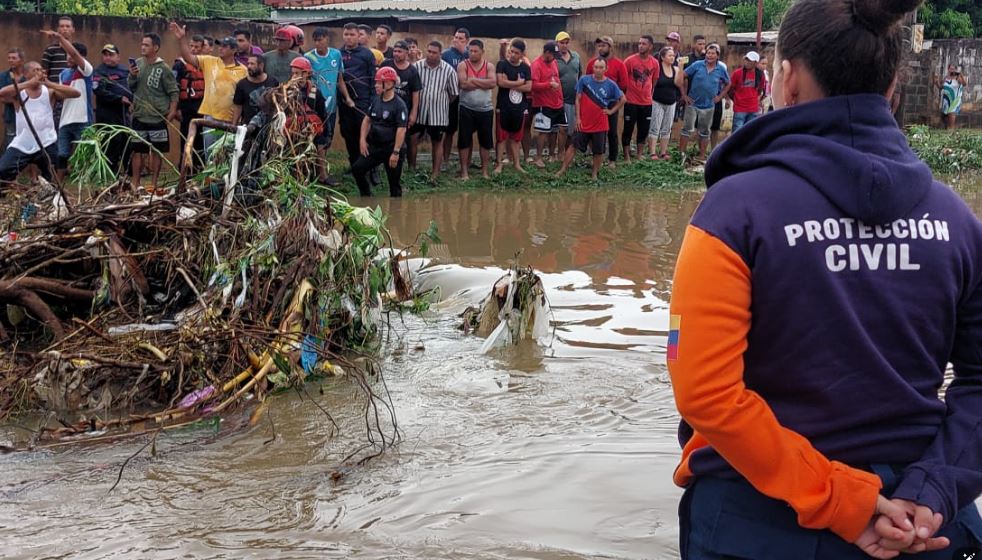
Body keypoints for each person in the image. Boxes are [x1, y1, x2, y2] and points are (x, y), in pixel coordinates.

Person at [669, 0, 982, 558]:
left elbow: (708, 396)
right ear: (890, 87)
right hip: (926, 528)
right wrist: (935, 489)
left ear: (786, 80)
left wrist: (844, 501)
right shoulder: (957, 220)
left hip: (758, 521)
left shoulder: (733, 212)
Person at [0, 62, 80, 188]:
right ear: (26, 74)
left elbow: (76, 93)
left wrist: (48, 83)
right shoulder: (19, 93)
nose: (40, 72)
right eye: (35, 70)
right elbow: (2, 93)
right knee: (3, 170)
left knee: (52, 176)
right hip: (23, 143)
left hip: (46, 142)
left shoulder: (49, 92)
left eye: (41, 70)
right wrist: (28, 84)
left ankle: (52, 196)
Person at [170, 25, 247, 156]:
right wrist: (181, 39)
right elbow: (188, 57)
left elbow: (243, 97)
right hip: (211, 118)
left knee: (226, 156)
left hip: (231, 119)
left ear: (234, 50)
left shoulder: (243, 70)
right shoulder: (210, 62)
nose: (220, 48)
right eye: (220, 46)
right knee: (210, 155)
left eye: (224, 46)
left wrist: (239, 120)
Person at [555, 58, 625, 180]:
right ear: (593, 68)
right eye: (596, 67)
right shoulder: (584, 80)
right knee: (573, 146)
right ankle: (562, 170)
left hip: (600, 124)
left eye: (601, 67)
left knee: (598, 151)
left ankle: (594, 174)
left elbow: (623, 99)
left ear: (606, 69)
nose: (598, 70)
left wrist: (611, 111)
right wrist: (578, 118)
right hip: (584, 122)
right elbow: (578, 99)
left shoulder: (611, 84)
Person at [128, 33, 178, 192]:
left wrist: (172, 111)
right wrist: (132, 75)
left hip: (157, 116)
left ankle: (154, 183)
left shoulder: (164, 68)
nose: (143, 47)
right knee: (137, 151)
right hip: (139, 114)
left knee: (157, 152)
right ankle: (135, 182)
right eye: (142, 44)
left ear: (155, 48)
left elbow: (173, 91)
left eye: (147, 45)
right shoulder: (138, 64)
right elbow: (131, 86)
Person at [41, 30, 92, 183]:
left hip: (83, 120)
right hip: (65, 120)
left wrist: (60, 38)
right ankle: (58, 183)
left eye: (71, 55)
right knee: (62, 154)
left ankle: (85, 184)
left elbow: (75, 55)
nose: (68, 57)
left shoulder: (86, 70)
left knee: (85, 153)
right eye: (66, 55)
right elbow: (61, 94)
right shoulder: (63, 74)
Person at [306, 27, 353, 184]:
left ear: (327, 39)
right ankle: (320, 174)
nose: (318, 43)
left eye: (321, 39)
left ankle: (320, 171)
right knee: (316, 138)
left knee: (327, 138)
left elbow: (340, 79)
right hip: (314, 106)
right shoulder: (309, 57)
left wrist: (347, 98)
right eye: (316, 40)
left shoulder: (336, 55)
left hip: (331, 106)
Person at [352, 66, 407, 197]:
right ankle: (366, 196)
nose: (375, 85)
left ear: (388, 84)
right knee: (357, 169)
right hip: (375, 147)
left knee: (394, 185)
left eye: (378, 83)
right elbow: (367, 120)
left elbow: (401, 129)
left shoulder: (399, 105)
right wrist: (362, 140)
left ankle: (396, 210)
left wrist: (395, 152)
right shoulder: (376, 100)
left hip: (392, 148)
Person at [411, 41, 458, 181]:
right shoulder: (416, 67)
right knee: (413, 139)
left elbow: (454, 93)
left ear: (440, 54)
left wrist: (440, 102)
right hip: (418, 111)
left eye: (434, 52)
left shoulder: (449, 70)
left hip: (439, 114)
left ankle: (435, 174)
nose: (431, 55)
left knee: (437, 142)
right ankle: (411, 169)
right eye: (429, 51)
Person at [679, 43, 728, 162]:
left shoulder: (721, 68)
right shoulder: (697, 65)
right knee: (686, 129)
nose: (710, 55)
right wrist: (684, 95)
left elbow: (728, 83)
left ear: (717, 56)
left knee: (705, 132)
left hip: (708, 106)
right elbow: (682, 76)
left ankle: (701, 156)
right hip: (692, 103)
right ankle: (681, 155)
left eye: (712, 53)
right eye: (708, 53)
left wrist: (720, 96)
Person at [456, 39, 496, 180]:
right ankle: (464, 172)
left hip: (485, 109)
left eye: (475, 51)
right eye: (470, 51)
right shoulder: (463, 65)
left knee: (485, 142)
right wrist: (481, 82)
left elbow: (492, 83)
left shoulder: (489, 66)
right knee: (464, 141)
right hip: (466, 108)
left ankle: (485, 171)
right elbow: (463, 84)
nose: (472, 54)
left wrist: (473, 80)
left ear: (482, 52)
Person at [586, 37, 627, 167]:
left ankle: (612, 159)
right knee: (597, 132)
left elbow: (624, 85)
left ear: (610, 47)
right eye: (599, 46)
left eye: (603, 45)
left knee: (612, 131)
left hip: (611, 103)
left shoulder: (619, 64)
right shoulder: (592, 63)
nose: (600, 48)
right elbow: (587, 81)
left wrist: (612, 98)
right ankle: (598, 158)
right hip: (595, 103)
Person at [339, 23, 375, 167]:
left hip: (363, 101)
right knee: (348, 133)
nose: (349, 38)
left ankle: (371, 168)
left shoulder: (367, 54)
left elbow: (373, 78)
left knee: (367, 133)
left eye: (352, 35)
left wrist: (373, 100)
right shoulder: (337, 54)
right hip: (344, 102)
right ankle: (354, 165)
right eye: (346, 34)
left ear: (358, 35)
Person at [92, 44, 132, 173]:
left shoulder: (125, 70)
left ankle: (129, 171)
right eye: (105, 55)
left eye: (111, 54)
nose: (108, 57)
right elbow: (98, 90)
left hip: (123, 113)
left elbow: (131, 87)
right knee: (111, 141)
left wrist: (132, 99)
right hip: (106, 114)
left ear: (118, 57)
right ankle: (110, 171)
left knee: (127, 140)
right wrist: (118, 98)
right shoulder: (99, 72)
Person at [494, 39, 531, 175]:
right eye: (511, 52)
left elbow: (529, 87)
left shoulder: (525, 68)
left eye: (516, 53)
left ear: (522, 54)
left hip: (519, 108)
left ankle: (517, 164)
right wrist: (518, 83)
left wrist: (510, 82)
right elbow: (500, 83)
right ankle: (499, 164)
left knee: (516, 138)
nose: (512, 55)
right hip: (503, 107)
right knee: (501, 138)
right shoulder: (502, 64)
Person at [621, 35, 658, 163]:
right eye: (639, 43)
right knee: (628, 129)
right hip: (631, 102)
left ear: (650, 46)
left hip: (647, 103)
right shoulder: (630, 61)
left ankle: (639, 155)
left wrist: (649, 95)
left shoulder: (654, 62)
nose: (641, 46)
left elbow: (654, 80)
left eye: (644, 44)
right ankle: (626, 157)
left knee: (643, 130)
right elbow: (623, 80)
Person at [530, 41, 566, 168]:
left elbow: (557, 80)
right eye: (553, 55)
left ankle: (556, 155)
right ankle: (538, 157)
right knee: (543, 132)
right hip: (543, 103)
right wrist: (548, 85)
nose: (554, 58)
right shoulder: (536, 65)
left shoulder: (554, 62)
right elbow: (533, 86)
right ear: (546, 53)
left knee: (561, 129)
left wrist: (561, 97)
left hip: (557, 102)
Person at [173, 35, 207, 171]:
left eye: (196, 47)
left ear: (203, 48)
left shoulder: (206, 64)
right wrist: (176, 109)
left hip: (202, 107)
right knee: (187, 140)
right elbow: (174, 87)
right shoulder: (179, 64)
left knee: (200, 141)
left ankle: (199, 170)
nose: (193, 49)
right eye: (191, 46)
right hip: (186, 107)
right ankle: (185, 171)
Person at [440, 28, 470, 170]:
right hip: (448, 98)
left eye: (460, 39)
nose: (456, 40)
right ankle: (444, 161)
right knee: (446, 130)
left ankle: (465, 162)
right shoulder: (446, 54)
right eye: (456, 37)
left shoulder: (470, 55)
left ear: (467, 41)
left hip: (466, 98)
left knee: (462, 130)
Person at [647, 46, 683, 160]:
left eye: (673, 55)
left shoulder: (676, 69)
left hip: (671, 102)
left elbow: (678, 84)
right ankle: (652, 152)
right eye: (669, 55)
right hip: (657, 101)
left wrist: (681, 68)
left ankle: (663, 152)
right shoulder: (657, 68)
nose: (672, 57)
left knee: (667, 128)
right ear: (662, 57)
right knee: (655, 127)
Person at [380, 41, 421, 141]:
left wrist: (413, 113)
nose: (396, 54)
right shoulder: (386, 64)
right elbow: (378, 83)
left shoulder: (412, 71)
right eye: (395, 51)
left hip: (403, 111)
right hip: (385, 108)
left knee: (401, 140)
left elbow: (416, 93)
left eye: (399, 51)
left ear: (407, 53)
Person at [554, 31, 581, 155]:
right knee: (561, 129)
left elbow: (580, 74)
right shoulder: (554, 58)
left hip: (574, 99)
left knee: (571, 129)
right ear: (557, 43)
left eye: (566, 43)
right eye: (562, 43)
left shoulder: (576, 56)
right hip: (559, 99)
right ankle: (559, 154)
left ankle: (567, 153)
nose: (564, 45)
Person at [232, 54, 278, 126]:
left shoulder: (273, 82)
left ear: (261, 65)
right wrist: (233, 127)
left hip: (268, 127)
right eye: (248, 63)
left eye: (252, 64)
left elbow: (277, 104)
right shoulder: (242, 84)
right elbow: (238, 107)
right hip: (248, 128)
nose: (249, 66)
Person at [728, 51, 766, 131]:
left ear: (756, 63)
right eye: (746, 59)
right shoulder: (737, 73)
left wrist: (756, 99)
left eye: (750, 60)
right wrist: (736, 99)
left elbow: (760, 90)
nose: (747, 62)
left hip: (753, 108)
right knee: (737, 132)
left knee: (750, 132)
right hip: (740, 108)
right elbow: (730, 88)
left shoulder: (760, 75)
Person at [0, 49, 27, 152]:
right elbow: (2, 97)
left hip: (27, 115)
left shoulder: (27, 76)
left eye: (14, 58)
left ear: (21, 60)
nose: (10, 60)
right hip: (11, 115)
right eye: (9, 58)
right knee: (10, 143)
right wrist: (16, 100)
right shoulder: (3, 76)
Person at [41, 16, 74, 84]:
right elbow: (44, 73)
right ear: (58, 29)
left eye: (68, 26)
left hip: (72, 89)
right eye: (62, 26)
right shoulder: (50, 49)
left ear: (73, 29)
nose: (65, 29)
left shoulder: (77, 49)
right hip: (54, 89)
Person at [934, 64, 967, 130]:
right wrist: (936, 82)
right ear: (948, 69)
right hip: (946, 99)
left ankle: (951, 129)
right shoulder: (946, 78)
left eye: (953, 69)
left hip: (955, 99)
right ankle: (948, 128)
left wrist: (961, 75)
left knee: (951, 113)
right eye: (950, 69)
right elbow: (941, 87)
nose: (951, 70)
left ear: (955, 70)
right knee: (947, 114)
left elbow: (964, 84)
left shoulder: (958, 77)